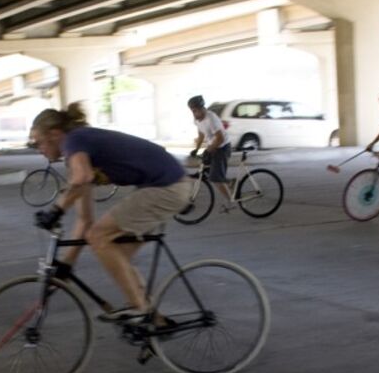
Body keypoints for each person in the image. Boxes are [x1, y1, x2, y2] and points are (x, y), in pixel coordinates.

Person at [30, 103, 192, 322]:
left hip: (166, 186)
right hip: (165, 185)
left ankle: (140, 308)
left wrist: (56, 210)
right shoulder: (80, 158)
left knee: (100, 237)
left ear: (55, 134)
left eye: (38, 142)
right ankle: (156, 323)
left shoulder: (75, 140)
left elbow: (82, 178)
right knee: (115, 253)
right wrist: (67, 265)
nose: (38, 148)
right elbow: (85, 220)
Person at [187, 95, 234, 210]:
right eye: (192, 111)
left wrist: (209, 150)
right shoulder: (197, 120)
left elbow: (220, 138)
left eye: (195, 110)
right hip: (213, 147)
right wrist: (197, 149)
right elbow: (201, 135)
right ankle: (229, 182)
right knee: (207, 171)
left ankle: (230, 203)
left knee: (215, 178)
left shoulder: (211, 119)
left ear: (202, 108)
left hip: (223, 148)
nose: (194, 114)